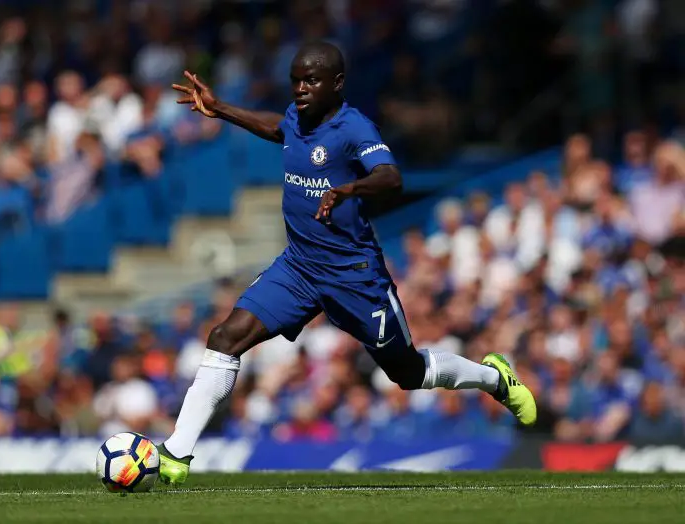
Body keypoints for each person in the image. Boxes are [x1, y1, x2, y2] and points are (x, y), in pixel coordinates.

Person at [159, 42, 537, 485]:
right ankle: (176, 454)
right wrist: (220, 108)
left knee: (408, 372)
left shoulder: (354, 127)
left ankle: (494, 378)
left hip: (354, 277)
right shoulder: (298, 118)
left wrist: (349, 189)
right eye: (295, 81)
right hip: (299, 268)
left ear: (337, 83)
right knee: (225, 337)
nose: (301, 89)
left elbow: (390, 176)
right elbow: (278, 127)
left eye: (311, 81)